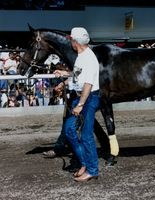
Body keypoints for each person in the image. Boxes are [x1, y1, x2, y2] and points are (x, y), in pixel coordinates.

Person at [54, 27, 100, 182]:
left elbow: (88, 84)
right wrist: (65, 77)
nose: (70, 42)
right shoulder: (81, 56)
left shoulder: (88, 58)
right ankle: (85, 163)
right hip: (81, 98)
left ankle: (92, 170)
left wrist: (80, 104)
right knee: (69, 130)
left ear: (75, 41)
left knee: (86, 135)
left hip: (87, 99)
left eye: (71, 39)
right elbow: (78, 75)